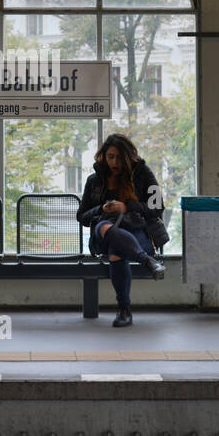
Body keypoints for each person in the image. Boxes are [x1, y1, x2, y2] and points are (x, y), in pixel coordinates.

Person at [76, 133, 167, 328]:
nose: (114, 161)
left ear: (128, 156)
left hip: (139, 234)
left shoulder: (143, 174)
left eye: (118, 157)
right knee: (103, 226)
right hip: (104, 235)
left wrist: (127, 207)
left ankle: (124, 310)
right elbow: (82, 216)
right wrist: (101, 209)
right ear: (104, 156)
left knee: (116, 251)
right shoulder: (94, 180)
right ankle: (148, 262)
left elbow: (157, 208)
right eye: (110, 156)